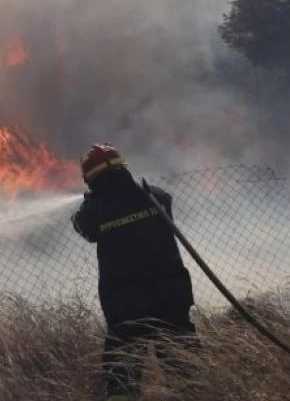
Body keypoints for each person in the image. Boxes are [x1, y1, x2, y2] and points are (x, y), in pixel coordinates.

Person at [71, 143, 197, 400]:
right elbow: (166, 200)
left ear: (91, 178)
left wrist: (88, 205)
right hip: (172, 299)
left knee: (121, 381)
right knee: (187, 375)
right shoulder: (155, 196)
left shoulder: (94, 210)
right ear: (122, 168)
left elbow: (84, 227)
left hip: (127, 308)